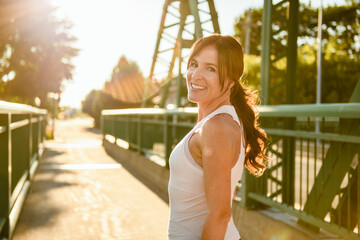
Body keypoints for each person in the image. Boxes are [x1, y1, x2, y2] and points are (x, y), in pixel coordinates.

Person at [167, 34, 269, 240]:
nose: (195, 75)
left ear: (232, 80)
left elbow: (220, 215)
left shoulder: (217, 127)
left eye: (210, 69)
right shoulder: (213, 122)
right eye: (194, 64)